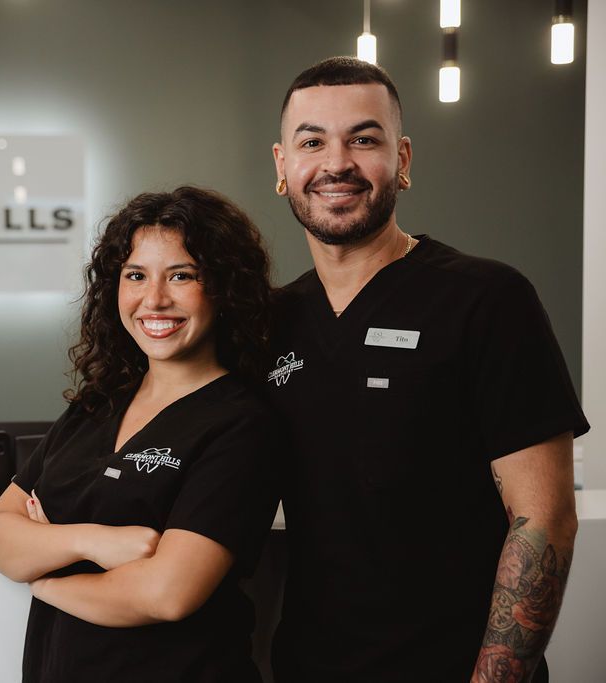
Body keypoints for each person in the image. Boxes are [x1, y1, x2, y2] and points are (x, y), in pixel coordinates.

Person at [266, 56, 589, 683]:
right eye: (312, 141)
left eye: (364, 138)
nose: (337, 163)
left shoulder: (486, 298)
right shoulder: (272, 320)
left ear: (404, 160)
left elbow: (544, 517)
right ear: (283, 167)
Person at [0, 186, 280, 682]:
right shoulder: (96, 406)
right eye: (135, 275)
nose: (154, 299)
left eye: (182, 276)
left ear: (223, 289)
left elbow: (166, 594)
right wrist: (95, 543)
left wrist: (44, 575)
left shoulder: (241, 426)